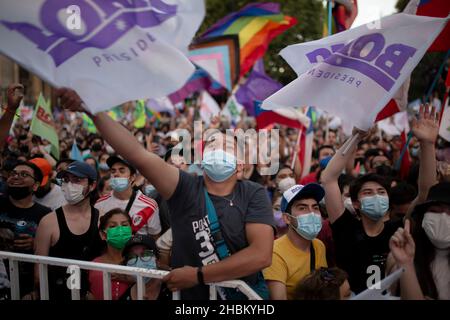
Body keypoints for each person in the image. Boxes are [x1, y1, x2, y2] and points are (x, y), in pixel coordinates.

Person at [57, 87, 275, 300]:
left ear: (240, 166)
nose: (217, 150)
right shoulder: (184, 187)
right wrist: (90, 110)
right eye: (212, 145)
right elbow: (136, 153)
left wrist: (198, 275)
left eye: (226, 146)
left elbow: (260, 255)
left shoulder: (253, 193)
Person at [321, 104, 438, 294]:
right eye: (368, 193)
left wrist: (428, 145)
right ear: (356, 203)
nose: (376, 196)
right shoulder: (345, 227)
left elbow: (425, 194)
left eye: (381, 192)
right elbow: (328, 178)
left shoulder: (399, 230)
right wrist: (355, 137)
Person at [34, 161, 103, 300]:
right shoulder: (48, 222)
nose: (70, 185)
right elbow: (38, 273)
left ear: (92, 185)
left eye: (77, 180)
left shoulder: (102, 218)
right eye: (66, 180)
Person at [263, 184, 328, 300]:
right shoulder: (274, 253)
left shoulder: (319, 245)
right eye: (302, 208)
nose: (311, 213)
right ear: (287, 218)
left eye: (315, 207)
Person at [0, 161, 51, 297]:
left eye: (24, 174)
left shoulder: (46, 214)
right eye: (13, 173)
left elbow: (53, 250)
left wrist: (36, 244)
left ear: (35, 186)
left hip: (26, 287)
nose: (16, 177)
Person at [94, 155, 161, 239]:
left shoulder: (149, 205)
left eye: (122, 171)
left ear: (132, 177)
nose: (116, 174)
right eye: (113, 171)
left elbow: (155, 238)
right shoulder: (100, 204)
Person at [88, 208, 133, 300]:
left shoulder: (141, 261)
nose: (120, 230)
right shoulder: (95, 266)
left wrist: (131, 278)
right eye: (113, 226)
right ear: (103, 235)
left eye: (124, 225)